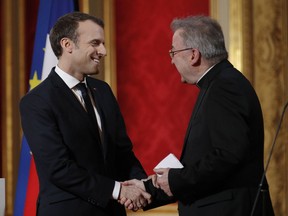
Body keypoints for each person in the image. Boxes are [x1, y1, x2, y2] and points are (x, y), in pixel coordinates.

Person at [123, 15, 275, 216]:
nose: (171, 60)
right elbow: (205, 162)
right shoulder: (218, 83)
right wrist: (150, 188)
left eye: (173, 52)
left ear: (193, 55)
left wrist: (174, 180)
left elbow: (228, 155)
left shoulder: (224, 87)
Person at [19, 12, 151, 216]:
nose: (104, 51)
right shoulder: (36, 102)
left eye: (103, 43)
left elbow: (122, 152)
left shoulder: (103, 90)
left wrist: (141, 185)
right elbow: (59, 168)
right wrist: (118, 190)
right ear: (67, 44)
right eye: (95, 43)